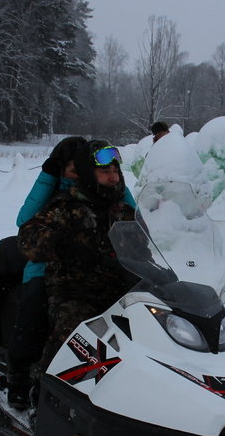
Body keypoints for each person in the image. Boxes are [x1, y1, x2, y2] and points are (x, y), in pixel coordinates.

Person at [18, 140, 137, 379]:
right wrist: (64, 245)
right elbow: (28, 234)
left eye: (116, 172)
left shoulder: (122, 210)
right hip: (75, 292)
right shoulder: (67, 206)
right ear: (88, 174)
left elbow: (148, 239)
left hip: (121, 292)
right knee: (74, 339)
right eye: (105, 172)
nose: (114, 178)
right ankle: (44, 393)